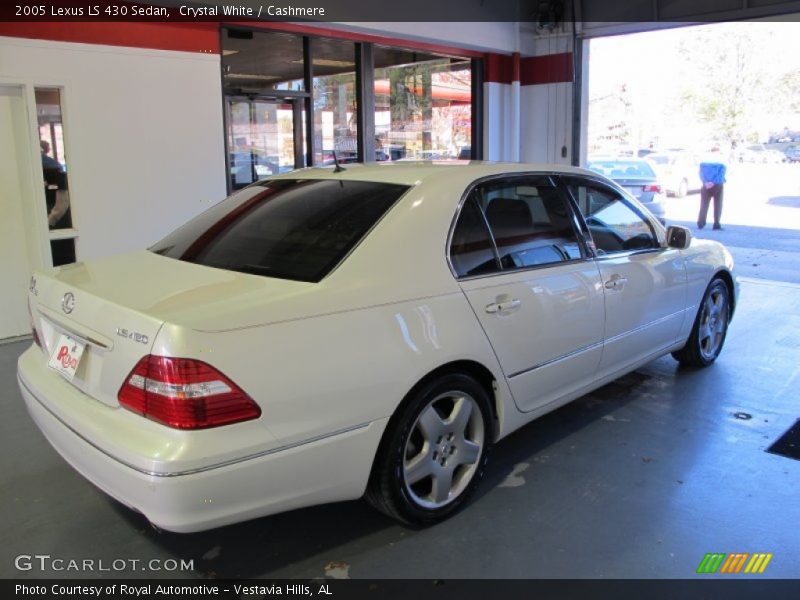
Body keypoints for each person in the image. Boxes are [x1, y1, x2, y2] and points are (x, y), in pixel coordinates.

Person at [40, 140, 71, 229]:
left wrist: (50, 221)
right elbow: (54, 185)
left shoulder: (51, 167)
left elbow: (58, 188)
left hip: (56, 211)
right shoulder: (53, 165)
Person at [697, 154, 727, 230]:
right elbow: (721, 173)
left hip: (706, 185)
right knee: (718, 204)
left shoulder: (704, 160)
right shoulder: (721, 160)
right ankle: (716, 224)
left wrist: (705, 182)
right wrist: (713, 182)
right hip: (717, 184)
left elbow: (700, 173)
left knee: (704, 205)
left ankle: (701, 223)